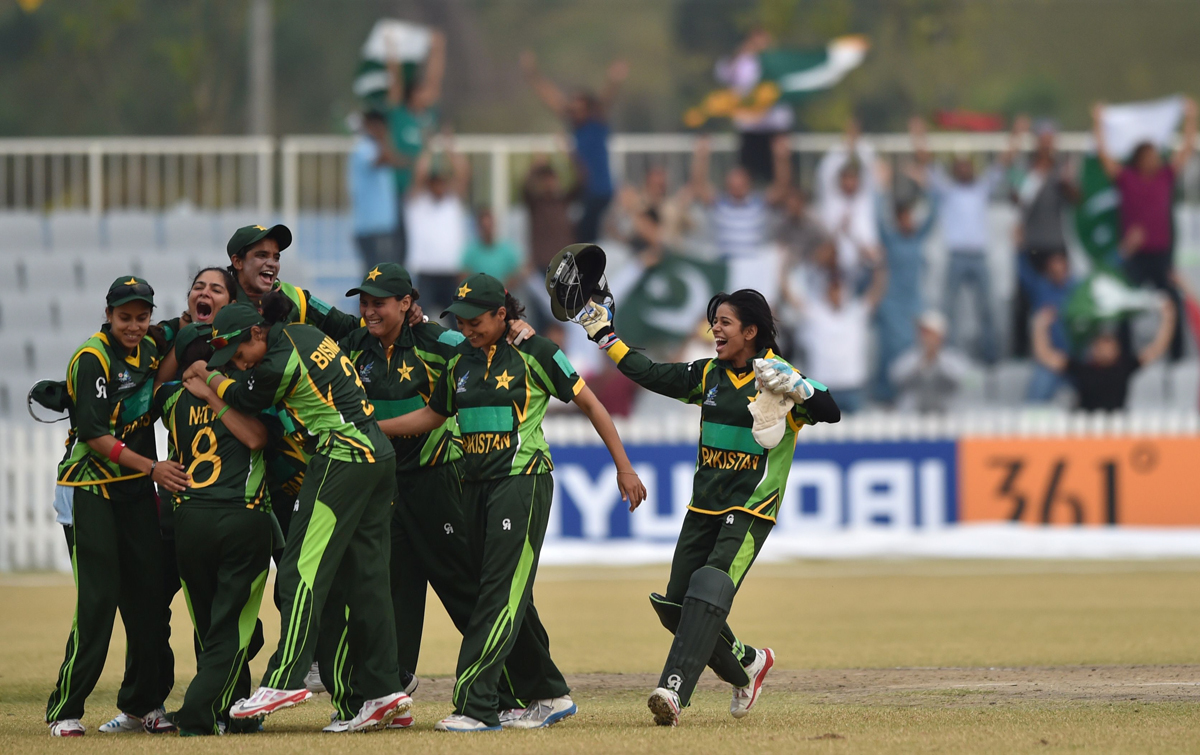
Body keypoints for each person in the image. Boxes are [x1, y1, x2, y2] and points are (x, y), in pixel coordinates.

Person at [380, 273, 647, 732]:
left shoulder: (538, 352)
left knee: (497, 594)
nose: (466, 328)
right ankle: (548, 695)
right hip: (474, 486)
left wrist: (623, 467)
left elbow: (592, 405)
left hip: (521, 483)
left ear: (503, 314)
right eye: (459, 320)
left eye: (475, 320)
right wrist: (372, 429)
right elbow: (432, 415)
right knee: (505, 594)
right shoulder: (459, 359)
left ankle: (477, 706)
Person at [573, 289, 840, 726]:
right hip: (703, 508)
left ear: (751, 332)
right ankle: (749, 663)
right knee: (675, 606)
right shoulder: (708, 375)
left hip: (752, 509)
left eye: (725, 322)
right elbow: (651, 372)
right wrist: (604, 334)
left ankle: (674, 690)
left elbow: (831, 411)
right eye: (715, 320)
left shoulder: (778, 376)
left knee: (710, 588)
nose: (715, 327)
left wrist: (801, 388)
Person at [318, 264, 567, 732]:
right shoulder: (353, 346)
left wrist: (518, 330)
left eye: (379, 301)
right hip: (386, 481)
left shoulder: (443, 344)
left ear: (406, 303)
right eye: (363, 302)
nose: (368, 310)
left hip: (441, 481)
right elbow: (314, 322)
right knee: (388, 585)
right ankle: (389, 690)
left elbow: (487, 348)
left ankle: (525, 691)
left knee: (472, 588)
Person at [184, 297, 407, 731]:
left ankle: (285, 679)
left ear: (255, 333)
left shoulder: (275, 362)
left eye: (239, 355)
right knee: (367, 579)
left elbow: (247, 397)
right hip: (378, 455)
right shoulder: (304, 334)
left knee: (298, 571)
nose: (240, 365)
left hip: (342, 456)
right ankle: (382, 692)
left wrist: (210, 377)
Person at [45, 277, 190, 738]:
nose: (133, 325)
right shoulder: (93, 358)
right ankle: (65, 710)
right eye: (124, 317)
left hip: (133, 493)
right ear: (108, 315)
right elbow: (94, 434)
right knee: (99, 599)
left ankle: (144, 704)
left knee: (148, 602)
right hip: (91, 489)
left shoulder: (152, 341)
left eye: (140, 317)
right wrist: (152, 468)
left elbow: (186, 325)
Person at [101, 266, 240, 736]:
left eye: (216, 289)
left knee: (220, 611)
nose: (205, 293)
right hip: (174, 503)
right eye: (198, 287)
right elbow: (145, 392)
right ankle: (143, 705)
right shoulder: (164, 342)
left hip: (229, 507)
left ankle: (227, 705)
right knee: (147, 602)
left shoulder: (248, 360)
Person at [157, 326, 272, 736]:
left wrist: (186, 364)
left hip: (190, 521)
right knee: (234, 628)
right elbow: (258, 437)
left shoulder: (170, 396)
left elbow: (157, 382)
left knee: (209, 625)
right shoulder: (245, 388)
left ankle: (231, 709)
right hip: (242, 516)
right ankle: (199, 712)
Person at [1093, 98, 1197, 361]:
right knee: (1125, 306)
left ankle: (1177, 356)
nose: (1155, 159)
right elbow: (1105, 157)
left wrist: (1191, 120)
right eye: (1150, 155)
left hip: (1160, 255)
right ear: (1139, 158)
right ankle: (1125, 355)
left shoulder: (1165, 177)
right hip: (1135, 255)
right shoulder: (1127, 180)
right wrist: (1098, 124)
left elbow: (1184, 151)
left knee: (1172, 302)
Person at [911, 116, 1013, 364]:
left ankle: (991, 358)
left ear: (972, 168)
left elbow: (1002, 163)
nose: (964, 169)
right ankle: (949, 356)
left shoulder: (981, 188)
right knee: (948, 311)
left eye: (968, 165)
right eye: (960, 165)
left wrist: (1017, 133)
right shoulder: (947, 189)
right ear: (955, 168)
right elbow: (927, 162)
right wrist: (918, 135)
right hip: (956, 256)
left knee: (988, 308)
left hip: (979, 256)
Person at [520, 50, 627, 243]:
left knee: (584, 238)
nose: (575, 112)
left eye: (579, 108)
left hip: (600, 192)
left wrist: (613, 81)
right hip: (584, 192)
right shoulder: (576, 126)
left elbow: (606, 98)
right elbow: (553, 99)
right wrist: (533, 75)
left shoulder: (596, 123)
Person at [1009, 116, 1079, 357]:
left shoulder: (1063, 167)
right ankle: (1019, 353)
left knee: (1061, 301)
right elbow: (1015, 199)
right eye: (1043, 139)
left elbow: (1075, 199)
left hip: (1055, 244)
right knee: (1023, 302)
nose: (1047, 144)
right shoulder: (1025, 167)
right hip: (1032, 244)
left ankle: (1064, 349)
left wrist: (1066, 183)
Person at [1032, 296, 1176, 411]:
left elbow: (1158, 348)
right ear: (1093, 348)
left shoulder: (1125, 367)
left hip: (1118, 431)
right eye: (1101, 345)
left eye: (1110, 345)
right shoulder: (1082, 369)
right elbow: (1045, 355)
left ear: (1117, 349)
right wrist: (1039, 326)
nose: (1105, 350)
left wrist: (1168, 318)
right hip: (1086, 432)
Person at [872, 164, 937, 405]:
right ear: (898, 220)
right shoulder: (890, 239)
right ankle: (883, 395)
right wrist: (881, 188)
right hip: (891, 302)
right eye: (904, 218)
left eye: (911, 217)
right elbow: (878, 218)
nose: (908, 221)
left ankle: (910, 395)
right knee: (889, 350)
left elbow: (934, 212)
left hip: (914, 302)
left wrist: (925, 185)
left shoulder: (919, 236)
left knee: (914, 350)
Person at [386, 29, 446, 260]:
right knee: (401, 248)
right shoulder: (399, 115)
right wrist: (392, 50)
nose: (427, 95)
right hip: (404, 192)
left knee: (428, 247)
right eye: (422, 92)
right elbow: (395, 82)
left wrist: (438, 50)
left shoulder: (429, 116)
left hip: (429, 194)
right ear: (412, 95)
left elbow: (434, 79)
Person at [687, 134, 792, 260]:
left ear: (748, 183)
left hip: (753, 265)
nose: (737, 186)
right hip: (726, 264)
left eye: (740, 183)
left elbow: (782, 188)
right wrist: (701, 157)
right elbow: (699, 186)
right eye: (733, 183)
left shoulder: (759, 203)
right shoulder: (720, 203)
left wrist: (781, 158)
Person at [801, 263, 887, 414]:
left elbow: (876, 293)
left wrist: (879, 266)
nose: (836, 294)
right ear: (826, 291)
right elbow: (791, 297)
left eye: (839, 289)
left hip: (852, 387)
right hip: (823, 387)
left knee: (858, 434)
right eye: (833, 289)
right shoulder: (816, 313)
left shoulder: (855, 312)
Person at [715, 28, 793, 182]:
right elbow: (723, 74)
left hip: (774, 130)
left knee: (778, 177)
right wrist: (741, 52)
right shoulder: (743, 62)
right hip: (750, 129)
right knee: (748, 175)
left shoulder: (779, 62)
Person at [404, 138, 471, 315]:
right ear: (429, 184)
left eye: (443, 182)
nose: (440, 186)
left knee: (458, 324)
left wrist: (449, 147)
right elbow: (418, 175)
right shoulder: (417, 204)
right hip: (426, 273)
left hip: (452, 272)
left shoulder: (453, 202)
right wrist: (429, 149)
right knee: (419, 321)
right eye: (435, 182)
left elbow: (463, 173)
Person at [817, 120, 882, 278]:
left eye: (853, 179)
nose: (849, 183)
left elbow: (872, 167)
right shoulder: (832, 198)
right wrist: (846, 146)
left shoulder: (865, 199)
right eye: (846, 178)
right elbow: (825, 170)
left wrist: (857, 144)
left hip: (862, 271)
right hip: (832, 273)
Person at [348, 110, 402, 269]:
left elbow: (393, 160)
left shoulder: (373, 147)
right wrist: (382, 138)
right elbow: (380, 161)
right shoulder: (363, 148)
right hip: (371, 227)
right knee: (376, 278)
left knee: (383, 276)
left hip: (382, 226)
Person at [890, 310, 972, 414]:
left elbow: (962, 381)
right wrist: (922, 363)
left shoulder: (954, 358)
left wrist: (936, 361)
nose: (925, 337)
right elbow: (896, 377)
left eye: (929, 333)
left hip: (947, 418)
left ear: (940, 335)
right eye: (923, 332)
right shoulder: (909, 357)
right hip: (912, 419)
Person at [1021, 250, 1076, 402]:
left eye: (1061, 266)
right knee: (1036, 396)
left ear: (1067, 267)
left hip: (1077, 360)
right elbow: (1024, 276)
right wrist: (1018, 250)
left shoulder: (1078, 289)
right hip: (1048, 359)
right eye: (1053, 268)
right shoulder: (1042, 288)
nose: (1058, 271)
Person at [462, 207, 522, 288]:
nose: (487, 230)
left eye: (489, 226)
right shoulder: (471, 251)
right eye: (484, 227)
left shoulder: (507, 250)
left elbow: (518, 272)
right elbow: (463, 274)